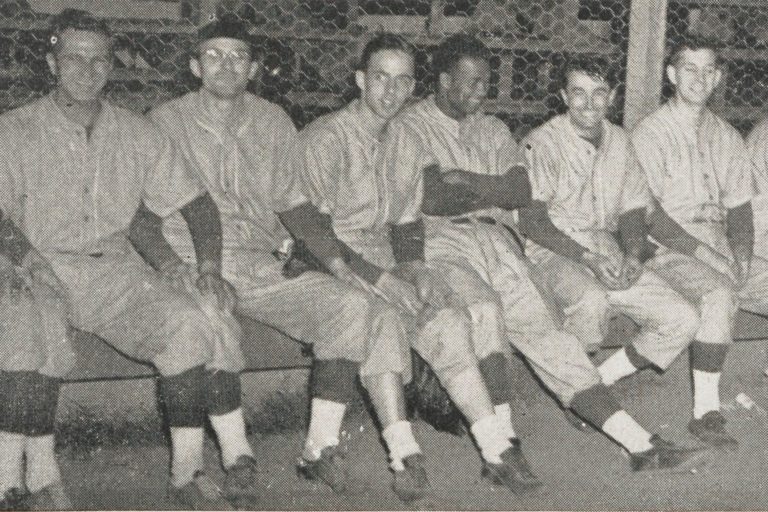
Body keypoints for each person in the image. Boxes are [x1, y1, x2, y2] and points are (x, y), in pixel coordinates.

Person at [381, 33, 709, 473]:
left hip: (497, 239)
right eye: (471, 83)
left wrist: (467, 182)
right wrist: (484, 188)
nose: (481, 92)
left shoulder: (494, 129)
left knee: (548, 334)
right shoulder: (409, 127)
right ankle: (503, 446)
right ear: (442, 80)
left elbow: (519, 191)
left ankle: (639, 445)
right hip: (441, 242)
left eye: (485, 83)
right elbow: (434, 199)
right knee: (485, 313)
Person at [149, 17, 431, 503]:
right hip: (192, 259)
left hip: (259, 260)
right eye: (214, 55)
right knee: (209, 316)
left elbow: (295, 205)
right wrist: (174, 266)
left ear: (254, 67)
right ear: (195, 66)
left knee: (349, 305)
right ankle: (237, 457)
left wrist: (335, 263)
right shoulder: (163, 122)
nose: (226, 65)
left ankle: (318, 450)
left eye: (238, 56)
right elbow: (143, 209)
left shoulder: (272, 120)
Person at [0, 9, 261, 510]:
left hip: (115, 271)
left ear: (111, 66)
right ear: (52, 63)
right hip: (39, 263)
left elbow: (199, 205)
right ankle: (22, 479)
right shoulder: (15, 131)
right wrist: (27, 261)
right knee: (26, 326)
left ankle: (186, 472)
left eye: (99, 59)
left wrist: (207, 267)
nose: (87, 69)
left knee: (187, 321)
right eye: (73, 57)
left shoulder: (137, 132)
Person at [293, 33, 542, 496]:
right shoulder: (326, 137)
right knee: (381, 317)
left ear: (413, 87)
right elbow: (312, 234)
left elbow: (407, 223)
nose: (391, 91)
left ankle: (496, 448)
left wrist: (414, 269)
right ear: (360, 80)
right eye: (381, 79)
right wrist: (382, 278)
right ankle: (404, 454)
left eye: (403, 81)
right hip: (329, 259)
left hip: (384, 255)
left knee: (445, 316)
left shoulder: (404, 138)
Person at [519, 54, 736, 451]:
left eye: (599, 93)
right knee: (591, 299)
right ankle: (578, 388)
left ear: (613, 96)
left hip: (607, 247)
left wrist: (634, 254)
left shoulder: (618, 139)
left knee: (682, 318)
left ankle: (594, 384)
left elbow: (634, 208)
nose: (589, 104)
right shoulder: (542, 141)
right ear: (563, 96)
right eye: (578, 93)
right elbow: (534, 224)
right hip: (554, 251)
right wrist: (587, 260)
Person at [633, 34, 768, 448]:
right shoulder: (650, 132)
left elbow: (741, 207)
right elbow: (648, 217)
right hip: (667, 248)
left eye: (709, 70)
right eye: (689, 68)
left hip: (719, 242)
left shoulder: (725, 135)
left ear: (718, 78)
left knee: (747, 279)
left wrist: (742, 253)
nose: (699, 78)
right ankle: (705, 412)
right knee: (719, 291)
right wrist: (711, 254)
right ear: (671, 74)